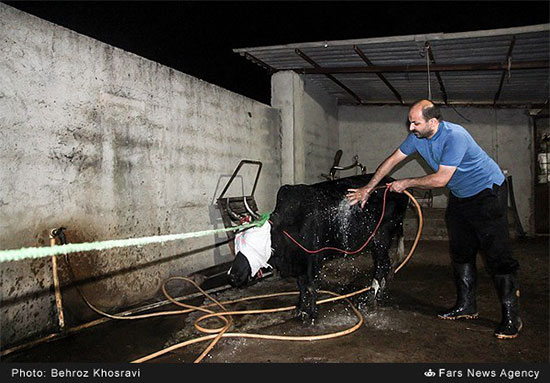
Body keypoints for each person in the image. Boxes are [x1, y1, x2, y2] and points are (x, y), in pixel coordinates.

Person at [346, 99, 522, 339]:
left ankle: (512, 317)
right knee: (461, 251)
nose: (411, 128)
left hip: (487, 193)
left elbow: (440, 180)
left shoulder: (455, 136)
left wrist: (406, 182)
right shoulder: (418, 137)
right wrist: (368, 187)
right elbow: (391, 161)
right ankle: (466, 306)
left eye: (415, 123)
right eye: (410, 123)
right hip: (461, 196)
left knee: (497, 254)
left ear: (433, 122)